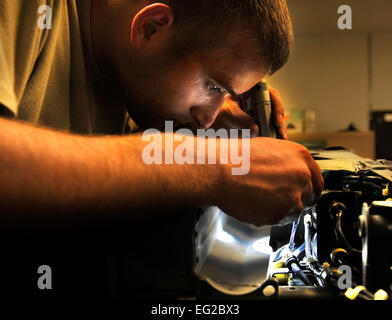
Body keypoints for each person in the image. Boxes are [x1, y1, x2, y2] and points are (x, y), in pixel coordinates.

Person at [0, 0, 323, 228]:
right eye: (213, 87)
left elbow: (119, 164)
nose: (208, 117)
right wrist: (212, 167)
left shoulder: (130, 75)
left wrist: (225, 117)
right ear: (151, 29)